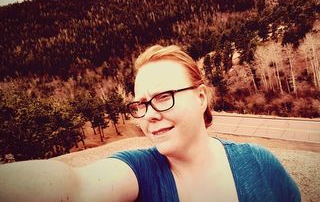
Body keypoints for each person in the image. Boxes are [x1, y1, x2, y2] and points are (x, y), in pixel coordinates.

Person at [0, 44, 301, 202]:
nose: (148, 115)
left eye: (164, 96)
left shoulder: (260, 165)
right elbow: (74, 187)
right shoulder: (139, 173)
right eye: (141, 104)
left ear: (200, 98)